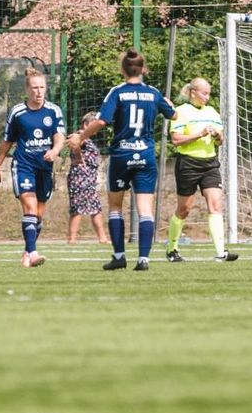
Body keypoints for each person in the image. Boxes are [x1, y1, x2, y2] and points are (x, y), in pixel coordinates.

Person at [69, 49, 176, 272]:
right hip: (145, 155)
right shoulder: (153, 93)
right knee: (145, 208)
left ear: (123, 69)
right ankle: (143, 259)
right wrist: (168, 103)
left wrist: (80, 136)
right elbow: (173, 114)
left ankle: (119, 256)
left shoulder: (117, 92)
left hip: (121, 156)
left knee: (115, 207)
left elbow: (101, 121)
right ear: (143, 69)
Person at [0, 68, 65, 268]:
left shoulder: (53, 110)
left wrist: (56, 150)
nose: (39, 92)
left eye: (42, 87)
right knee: (30, 207)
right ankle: (33, 253)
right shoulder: (18, 112)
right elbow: (7, 141)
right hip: (23, 165)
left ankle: (27, 250)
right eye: (35, 88)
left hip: (44, 168)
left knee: (38, 215)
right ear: (27, 89)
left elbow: (59, 136)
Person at [164, 78, 238, 262]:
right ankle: (172, 249)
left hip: (210, 164)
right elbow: (176, 140)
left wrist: (218, 136)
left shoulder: (212, 112)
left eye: (209, 93)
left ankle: (221, 252)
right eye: (204, 93)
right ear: (192, 93)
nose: (207, 97)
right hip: (188, 164)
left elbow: (220, 141)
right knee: (184, 209)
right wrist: (200, 134)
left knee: (215, 205)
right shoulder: (180, 112)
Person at [67, 112, 109, 245]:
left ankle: (102, 238)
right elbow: (75, 144)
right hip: (80, 176)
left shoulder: (87, 138)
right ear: (86, 124)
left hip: (89, 178)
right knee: (78, 208)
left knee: (95, 208)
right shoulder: (80, 135)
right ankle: (72, 239)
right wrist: (79, 156)